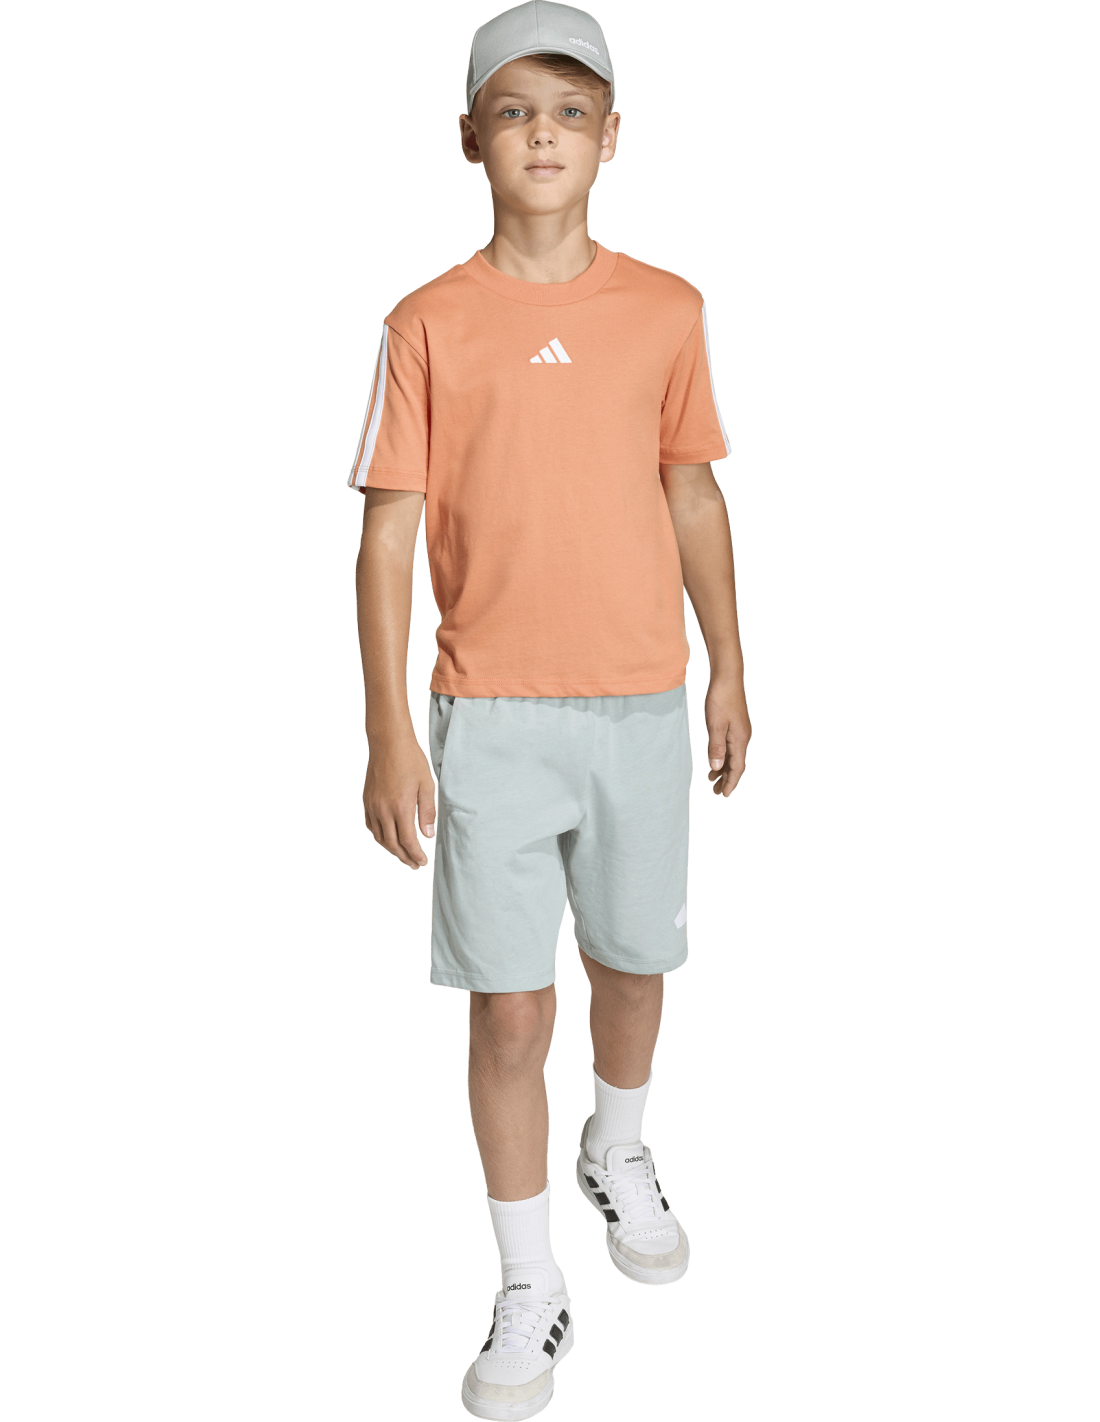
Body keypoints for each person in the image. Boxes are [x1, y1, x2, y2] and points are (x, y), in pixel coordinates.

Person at [348, 3, 750, 1414]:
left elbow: (693, 492)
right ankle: (530, 1277)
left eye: (571, 113)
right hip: (493, 715)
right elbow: (387, 534)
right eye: (516, 110)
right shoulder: (427, 323)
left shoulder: (667, 310)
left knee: (634, 967)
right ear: (471, 138)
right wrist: (389, 730)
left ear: (611, 140)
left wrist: (731, 664)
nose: (543, 134)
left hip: (640, 702)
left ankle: (616, 1143)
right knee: (511, 1011)